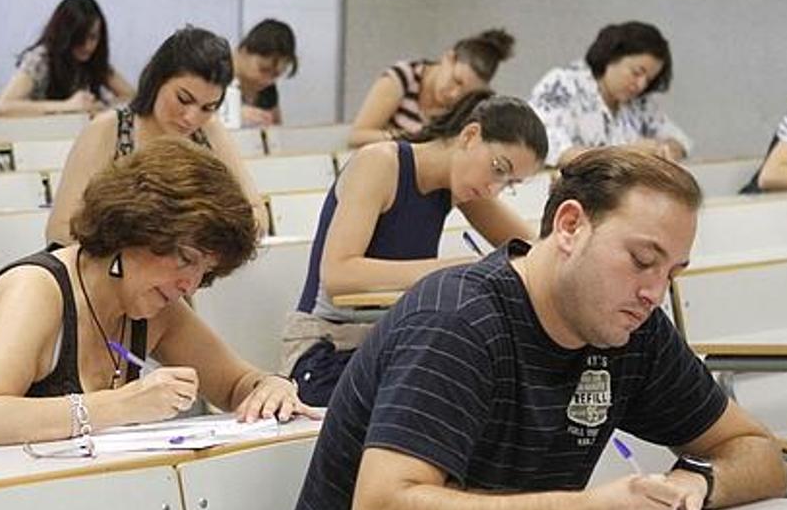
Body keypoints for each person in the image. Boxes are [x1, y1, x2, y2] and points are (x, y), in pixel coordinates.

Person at [285, 147, 787, 510]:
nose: (654, 292)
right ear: (570, 226)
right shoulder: (457, 319)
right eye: (640, 260)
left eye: (672, 273)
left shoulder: (635, 328)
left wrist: (697, 481)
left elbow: (758, 452)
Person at [0, 139, 318, 455]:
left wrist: (272, 388)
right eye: (184, 259)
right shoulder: (37, 290)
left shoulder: (156, 307)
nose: (190, 286)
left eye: (205, 272)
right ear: (134, 228)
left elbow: (236, 385)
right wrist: (122, 405)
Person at [284, 91, 547, 405]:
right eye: (499, 168)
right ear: (470, 135)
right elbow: (338, 273)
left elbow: (533, 252)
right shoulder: (380, 163)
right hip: (327, 349)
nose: (496, 188)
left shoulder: (465, 188)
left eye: (510, 184)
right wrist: (452, 269)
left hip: (392, 345)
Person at [46, 26, 268, 245]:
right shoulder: (108, 130)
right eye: (183, 99)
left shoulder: (209, 131)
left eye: (208, 107)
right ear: (158, 79)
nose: (191, 118)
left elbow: (256, 214)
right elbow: (60, 231)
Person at [530, 21, 688, 166]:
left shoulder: (639, 103)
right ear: (611, 58)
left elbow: (679, 140)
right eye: (637, 72)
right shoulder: (564, 83)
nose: (641, 85)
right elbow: (548, 146)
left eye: (649, 80)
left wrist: (665, 150)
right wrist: (624, 153)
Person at [348, 28, 514, 148]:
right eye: (456, 81)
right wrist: (414, 138)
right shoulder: (403, 77)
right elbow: (357, 136)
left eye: (466, 93)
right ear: (449, 58)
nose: (455, 94)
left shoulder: (469, 105)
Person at [0, 0, 133, 117]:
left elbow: (132, 97)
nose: (87, 46)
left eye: (93, 37)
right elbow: (3, 107)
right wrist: (67, 106)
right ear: (65, 37)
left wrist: (103, 105)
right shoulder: (41, 59)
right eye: (79, 39)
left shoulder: (94, 59)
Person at [232, 18, 298, 127]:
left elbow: (277, 132)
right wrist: (233, 116)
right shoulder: (211, 74)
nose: (267, 81)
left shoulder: (267, 88)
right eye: (263, 69)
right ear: (243, 51)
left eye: (276, 75)